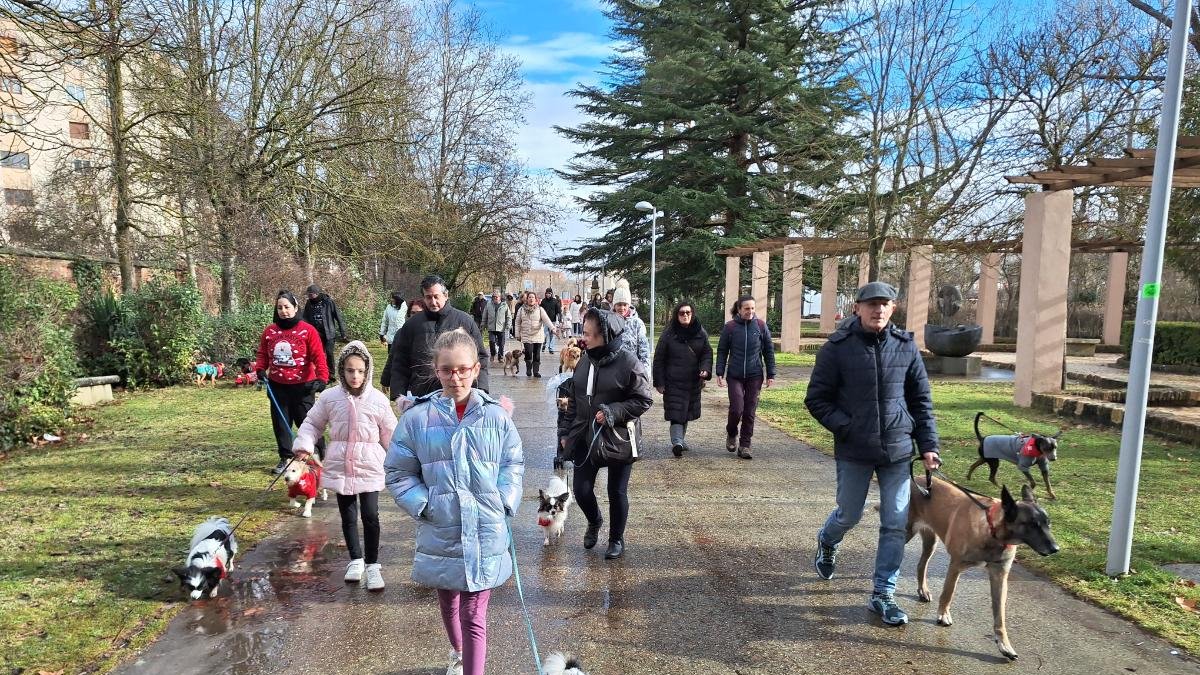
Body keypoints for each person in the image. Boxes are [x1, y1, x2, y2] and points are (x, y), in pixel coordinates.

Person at [384, 329, 523, 675]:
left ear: (476, 369)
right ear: (436, 369)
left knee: (474, 613)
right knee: (449, 602)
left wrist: (505, 500)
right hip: (441, 529)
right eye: (447, 369)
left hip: (485, 529)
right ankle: (458, 651)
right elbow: (399, 472)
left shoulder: (495, 417)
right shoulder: (417, 419)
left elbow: (513, 463)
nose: (455, 377)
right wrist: (425, 504)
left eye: (463, 369)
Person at [805, 281, 941, 627]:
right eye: (871, 304)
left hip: (897, 450)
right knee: (849, 514)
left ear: (893, 309)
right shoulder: (837, 348)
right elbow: (816, 399)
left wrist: (928, 446)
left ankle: (884, 593)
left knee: (895, 523)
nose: (878, 309)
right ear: (857, 308)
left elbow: (921, 402)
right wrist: (846, 426)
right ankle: (827, 540)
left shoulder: (906, 347)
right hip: (854, 449)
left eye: (884, 304)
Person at [292, 340, 397, 590]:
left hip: (369, 464)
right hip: (340, 464)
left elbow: (391, 434)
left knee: (371, 515)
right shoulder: (330, 397)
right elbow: (312, 424)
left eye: (360, 370)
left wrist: (401, 460)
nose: (355, 376)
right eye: (350, 370)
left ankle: (373, 565)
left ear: (368, 370)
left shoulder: (378, 400)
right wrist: (304, 446)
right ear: (342, 370)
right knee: (348, 515)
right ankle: (356, 560)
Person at [558, 308, 653, 560]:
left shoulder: (629, 363)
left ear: (605, 335)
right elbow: (574, 401)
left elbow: (644, 399)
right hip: (585, 438)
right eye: (584, 332)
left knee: (616, 491)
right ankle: (594, 521)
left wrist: (613, 411)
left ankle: (616, 539)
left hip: (618, 438)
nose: (583, 338)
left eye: (589, 334)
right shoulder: (585, 361)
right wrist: (565, 432)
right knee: (581, 489)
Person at [254, 290, 329, 475]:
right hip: (277, 387)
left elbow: (318, 356)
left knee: (308, 423)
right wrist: (260, 369)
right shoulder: (270, 331)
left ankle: (317, 455)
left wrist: (322, 378)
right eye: (279, 307)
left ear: (295, 308)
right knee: (281, 424)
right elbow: (263, 354)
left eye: (287, 307)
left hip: (303, 386)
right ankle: (286, 458)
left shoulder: (308, 330)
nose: (283, 311)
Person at [388, 275, 490, 400]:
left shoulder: (465, 321)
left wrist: (481, 390)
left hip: (458, 396)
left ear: (445, 295)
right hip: (422, 396)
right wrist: (399, 395)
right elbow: (400, 361)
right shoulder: (412, 325)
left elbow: (480, 357)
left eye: (436, 296)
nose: (433, 301)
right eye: (428, 297)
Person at [715, 295, 776, 460]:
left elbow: (768, 351)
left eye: (753, 308)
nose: (750, 311)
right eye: (747, 308)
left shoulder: (761, 326)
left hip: (754, 375)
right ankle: (731, 432)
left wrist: (771, 374)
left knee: (749, 411)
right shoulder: (730, 327)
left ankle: (745, 445)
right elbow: (722, 351)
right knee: (737, 409)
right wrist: (719, 371)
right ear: (740, 309)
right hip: (734, 375)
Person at [652, 301, 712, 457]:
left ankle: (680, 440)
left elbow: (707, 353)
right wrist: (659, 382)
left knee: (685, 412)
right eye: (681, 313)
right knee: (676, 413)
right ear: (676, 315)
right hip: (673, 381)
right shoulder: (668, 333)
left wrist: (705, 369)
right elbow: (659, 358)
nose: (685, 315)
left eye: (688, 312)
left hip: (693, 381)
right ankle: (677, 441)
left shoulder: (700, 332)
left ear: (692, 314)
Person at [302, 284, 345, 383]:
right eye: (308, 294)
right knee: (319, 354)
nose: (309, 296)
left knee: (329, 353)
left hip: (329, 333)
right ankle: (321, 375)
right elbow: (305, 318)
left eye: (311, 294)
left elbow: (338, 317)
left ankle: (331, 374)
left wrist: (343, 332)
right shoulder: (309, 303)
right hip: (316, 334)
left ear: (317, 293)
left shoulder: (328, 302)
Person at [514, 290, 556, 378]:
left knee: (537, 354)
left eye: (533, 297)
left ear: (536, 299)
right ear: (526, 299)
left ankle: (536, 371)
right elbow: (517, 322)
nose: (531, 299)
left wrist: (552, 328)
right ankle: (528, 368)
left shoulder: (540, 309)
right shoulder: (521, 309)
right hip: (526, 335)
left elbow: (546, 320)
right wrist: (517, 334)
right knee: (528, 353)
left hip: (538, 335)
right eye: (529, 297)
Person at [610, 280, 650, 368]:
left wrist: (645, 375)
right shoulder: (608, 322)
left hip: (632, 371)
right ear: (614, 305)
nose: (622, 308)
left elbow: (644, 352)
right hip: (611, 372)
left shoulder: (637, 324)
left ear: (629, 305)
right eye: (619, 304)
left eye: (625, 304)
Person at [482, 290, 512, 362]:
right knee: (492, 342)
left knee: (501, 344)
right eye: (494, 297)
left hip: (501, 328)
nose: (495, 298)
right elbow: (485, 315)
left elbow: (509, 316)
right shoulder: (488, 304)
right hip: (491, 327)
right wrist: (483, 324)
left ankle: (500, 356)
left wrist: (508, 325)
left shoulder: (504, 305)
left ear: (500, 297)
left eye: (497, 297)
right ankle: (492, 354)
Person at [540, 288, 562, 354]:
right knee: (544, 334)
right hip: (545, 321)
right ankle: (544, 344)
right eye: (547, 293)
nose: (548, 294)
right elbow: (540, 309)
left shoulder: (555, 301)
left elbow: (558, 311)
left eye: (549, 293)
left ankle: (551, 348)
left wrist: (560, 319)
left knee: (552, 335)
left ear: (551, 294)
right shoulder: (543, 301)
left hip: (553, 321)